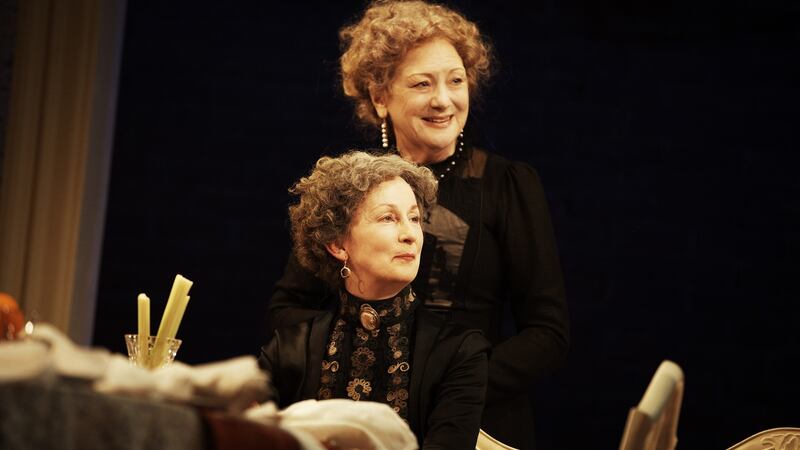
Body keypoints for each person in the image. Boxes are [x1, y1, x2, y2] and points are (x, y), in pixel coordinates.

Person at [267, 1, 569, 448]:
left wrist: (454, 386)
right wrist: (358, 371)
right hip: (364, 424)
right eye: (422, 83)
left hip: (480, 423)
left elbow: (547, 333)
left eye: (456, 81)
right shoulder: (350, 188)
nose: (443, 100)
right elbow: (287, 312)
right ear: (380, 97)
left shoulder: (508, 184)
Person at [260, 151, 489, 449]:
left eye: (414, 218)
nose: (410, 234)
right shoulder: (288, 351)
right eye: (388, 218)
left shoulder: (459, 352)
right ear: (337, 244)